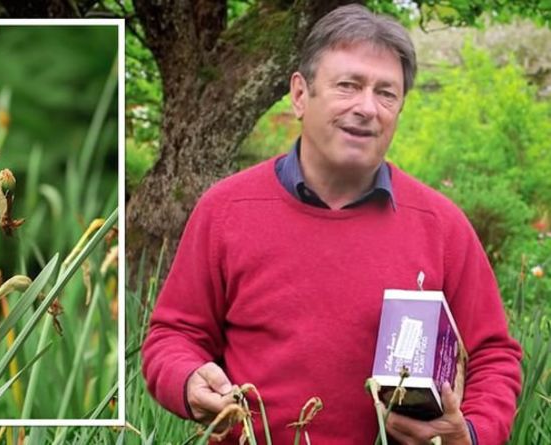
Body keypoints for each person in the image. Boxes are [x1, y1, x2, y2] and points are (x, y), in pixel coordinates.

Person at [141, 4, 522, 445]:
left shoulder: (441, 226)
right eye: (348, 85)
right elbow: (174, 336)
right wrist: (187, 380)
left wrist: (469, 435)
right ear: (300, 95)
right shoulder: (227, 209)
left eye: (386, 93)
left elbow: (495, 356)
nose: (367, 108)